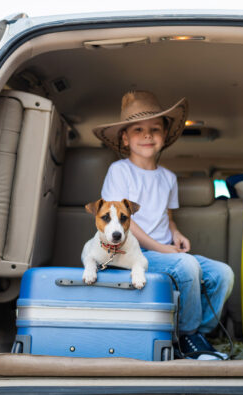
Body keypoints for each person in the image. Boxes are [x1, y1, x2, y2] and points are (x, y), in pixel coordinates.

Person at [93, 90, 234, 360]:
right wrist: (161, 248)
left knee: (223, 274)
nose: (147, 135)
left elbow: (166, 215)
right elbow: (123, 224)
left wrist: (176, 235)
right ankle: (189, 339)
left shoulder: (168, 177)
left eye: (154, 129)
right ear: (125, 137)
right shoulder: (119, 172)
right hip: (126, 252)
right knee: (187, 265)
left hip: (160, 251)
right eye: (138, 129)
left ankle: (196, 333)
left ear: (164, 135)